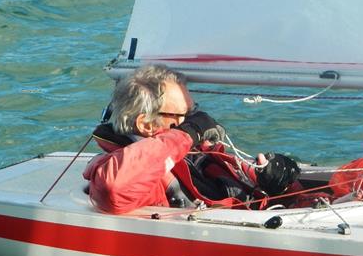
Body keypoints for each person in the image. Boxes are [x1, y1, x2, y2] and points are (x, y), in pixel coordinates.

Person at [83, 64, 301, 214]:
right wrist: (188, 133)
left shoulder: (195, 154)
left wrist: (277, 182)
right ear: (146, 124)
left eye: (193, 112)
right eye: (184, 116)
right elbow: (114, 189)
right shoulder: (131, 170)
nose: (194, 121)